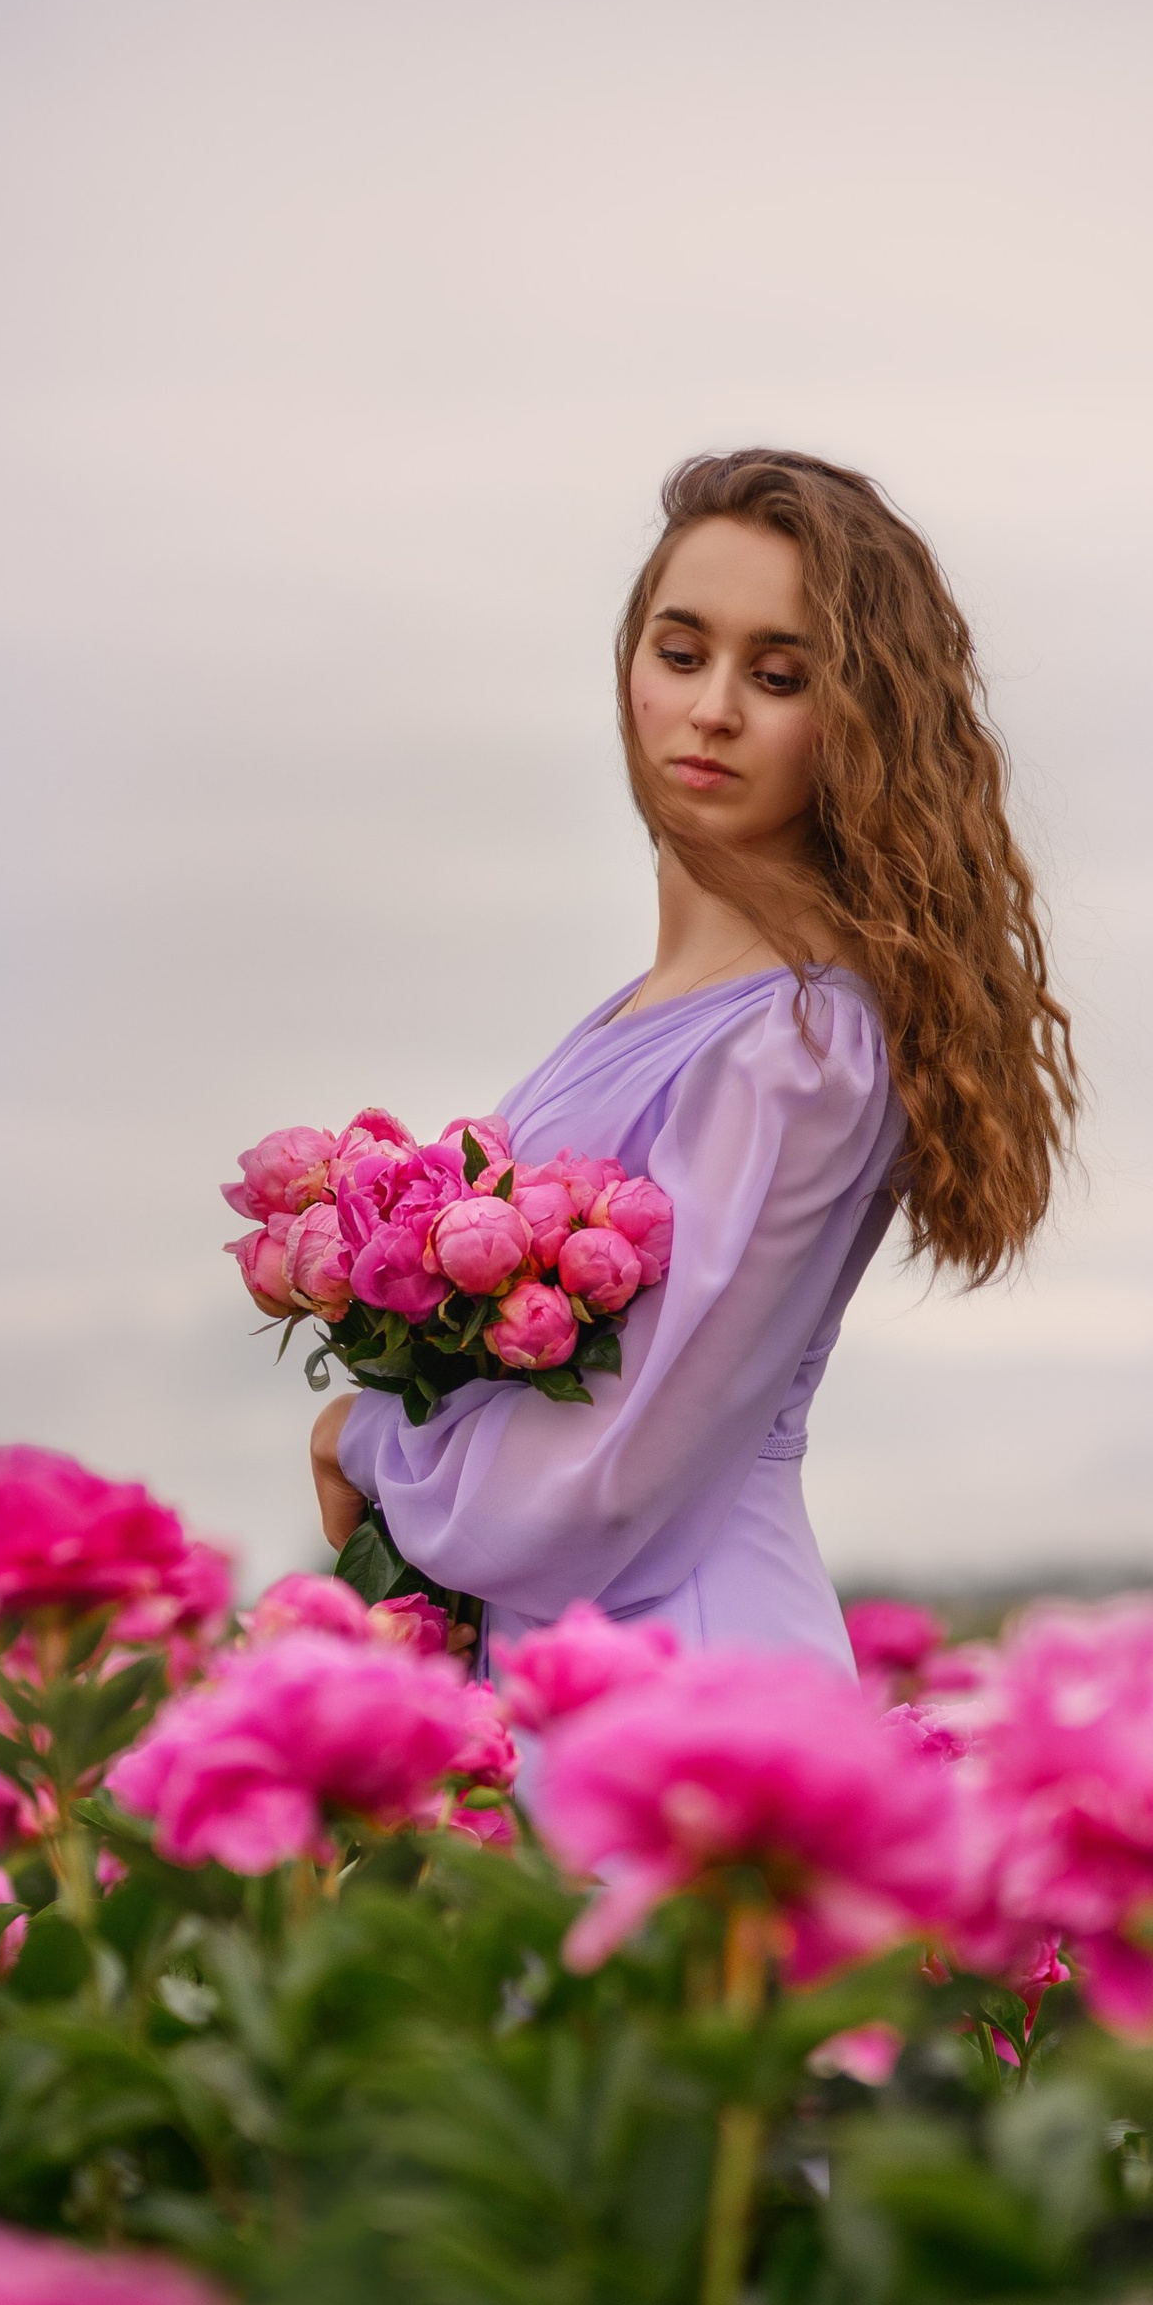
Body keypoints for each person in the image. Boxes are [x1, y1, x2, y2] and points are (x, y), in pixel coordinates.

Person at [310, 447, 1077, 1668]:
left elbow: (608, 1481)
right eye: (681, 654)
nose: (712, 708)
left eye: (778, 676)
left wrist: (364, 1442)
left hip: (691, 1676)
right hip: (576, 1663)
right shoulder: (656, 1007)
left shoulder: (799, 1046)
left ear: (862, 719)